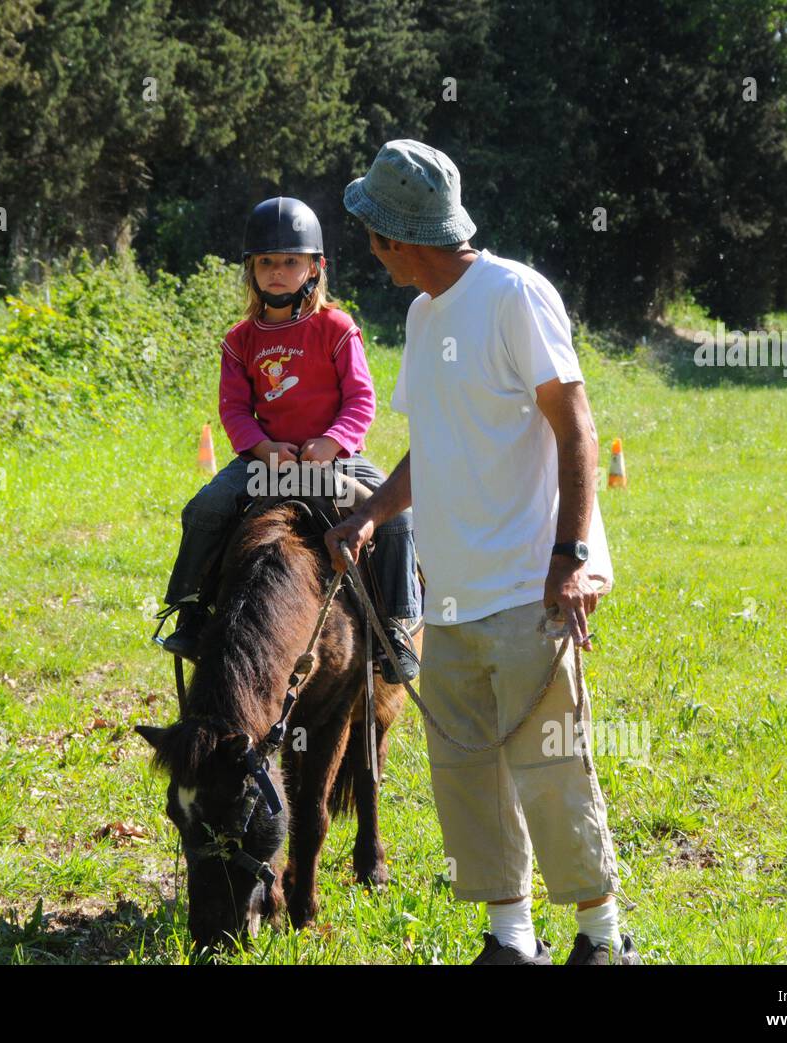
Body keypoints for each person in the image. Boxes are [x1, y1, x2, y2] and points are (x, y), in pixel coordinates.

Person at [325, 141, 642, 964]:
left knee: (550, 769)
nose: (366, 248)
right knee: (466, 779)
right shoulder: (424, 314)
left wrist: (571, 554)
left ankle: (602, 941)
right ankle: (511, 942)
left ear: (401, 237)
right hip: (452, 594)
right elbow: (431, 445)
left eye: (372, 233)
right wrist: (372, 510)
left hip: (528, 589)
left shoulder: (514, 294)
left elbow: (577, 424)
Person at [157, 196, 422, 682]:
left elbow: (361, 400)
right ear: (251, 270)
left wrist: (333, 442)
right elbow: (234, 409)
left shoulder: (337, 329)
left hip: (335, 464)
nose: (277, 271)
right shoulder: (240, 340)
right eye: (266, 262)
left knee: (397, 515)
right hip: (266, 464)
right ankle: (191, 611)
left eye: (290, 261)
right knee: (205, 508)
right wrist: (263, 448)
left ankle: (396, 627)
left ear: (315, 268)